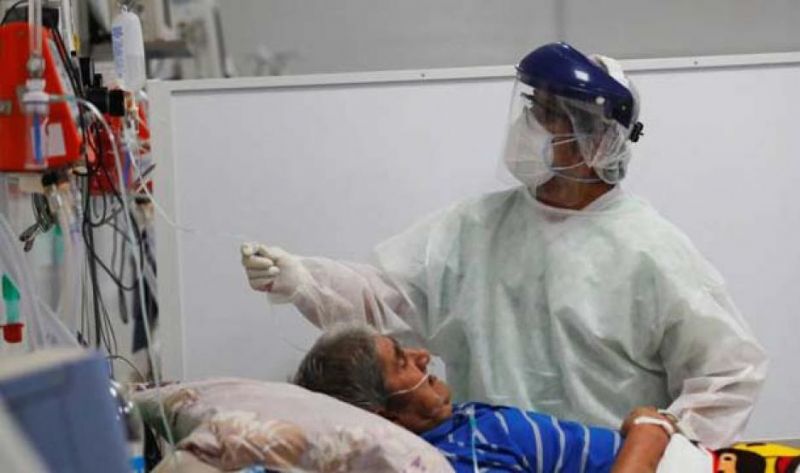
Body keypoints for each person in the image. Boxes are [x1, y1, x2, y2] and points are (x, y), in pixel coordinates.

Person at [241, 42, 767, 448]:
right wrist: (303, 280)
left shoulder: (651, 251)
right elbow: (386, 301)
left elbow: (729, 373)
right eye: (533, 108)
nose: (530, 125)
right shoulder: (474, 228)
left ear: (596, 140)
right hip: (485, 460)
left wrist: (662, 450)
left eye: (550, 115)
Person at [293, 324, 680, 473]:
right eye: (401, 362)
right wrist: (648, 433)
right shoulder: (457, 461)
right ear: (387, 416)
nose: (421, 355)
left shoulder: (454, 425)